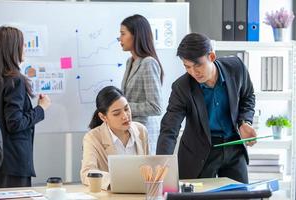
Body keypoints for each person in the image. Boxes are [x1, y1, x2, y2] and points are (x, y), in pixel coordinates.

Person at [156, 33, 256, 184]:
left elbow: (248, 96)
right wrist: (162, 163)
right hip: (199, 152)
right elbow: (170, 128)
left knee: (241, 195)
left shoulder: (236, 67)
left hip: (233, 147)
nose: (194, 72)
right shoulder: (181, 87)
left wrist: (244, 122)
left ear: (212, 56)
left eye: (198, 65)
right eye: (187, 67)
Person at [0, 26, 51, 187]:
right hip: (13, 163)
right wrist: (41, 108)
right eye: (22, 44)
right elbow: (15, 123)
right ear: (12, 48)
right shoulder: (15, 80)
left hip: (0, 160)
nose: (25, 48)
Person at [80, 86, 149, 190]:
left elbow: (148, 167)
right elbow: (87, 173)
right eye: (117, 113)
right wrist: (117, 181)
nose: (125, 116)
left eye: (126, 108)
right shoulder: (92, 137)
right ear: (103, 117)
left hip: (139, 194)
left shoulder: (141, 130)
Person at [120, 14, 163, 154]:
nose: (119, 38)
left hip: (144, 133)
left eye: (123, 34)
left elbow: (155, 107)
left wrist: (123, 108)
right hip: (130, 131)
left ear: (135, 35)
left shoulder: (148, 63)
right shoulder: (130, 62)